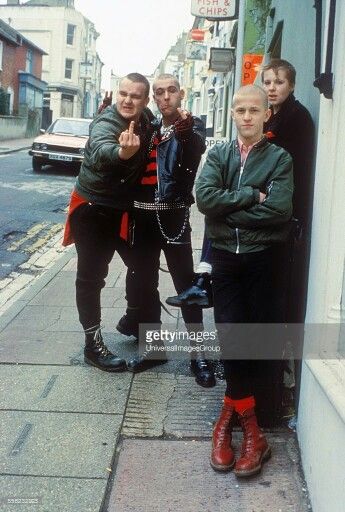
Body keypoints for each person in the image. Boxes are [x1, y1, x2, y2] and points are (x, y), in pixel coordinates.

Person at [196, 85, 293, 476]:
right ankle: (251, 429)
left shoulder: (279, 158)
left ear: (267, 114)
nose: (247, 116)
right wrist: (252, 196)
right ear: (233, 114)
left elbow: (280, 210)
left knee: (254, 339)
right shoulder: (218, 153)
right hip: (225, 260)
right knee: (230, 334)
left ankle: (230, 420)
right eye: (241, 110)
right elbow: (205, 200)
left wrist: (229, 208)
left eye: (255, 109)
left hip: (263, 260)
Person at [119, 73, 216, 387]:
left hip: (173, 217)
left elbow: (194, 145)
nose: (165, 97)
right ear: (153, 98)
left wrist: (185, 131)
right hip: (143, 219)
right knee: (146, 285)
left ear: (182, 93)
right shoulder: (148, 128)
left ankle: (198, 354)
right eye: (159, 93)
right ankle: (154, 348)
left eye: (171, 91)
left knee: (187, 286)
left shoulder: (192, 126)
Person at [63, 73, 153, 372]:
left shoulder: (147, 119)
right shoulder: (106, 123)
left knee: (142, 265)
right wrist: (122, 151)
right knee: (92, 277)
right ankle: (93, 345)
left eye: (135, 96)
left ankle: (133, 319)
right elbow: (102, 149)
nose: (127, 100)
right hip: (93, 208)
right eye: (123, 93)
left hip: (122, 209)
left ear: (145, 100)